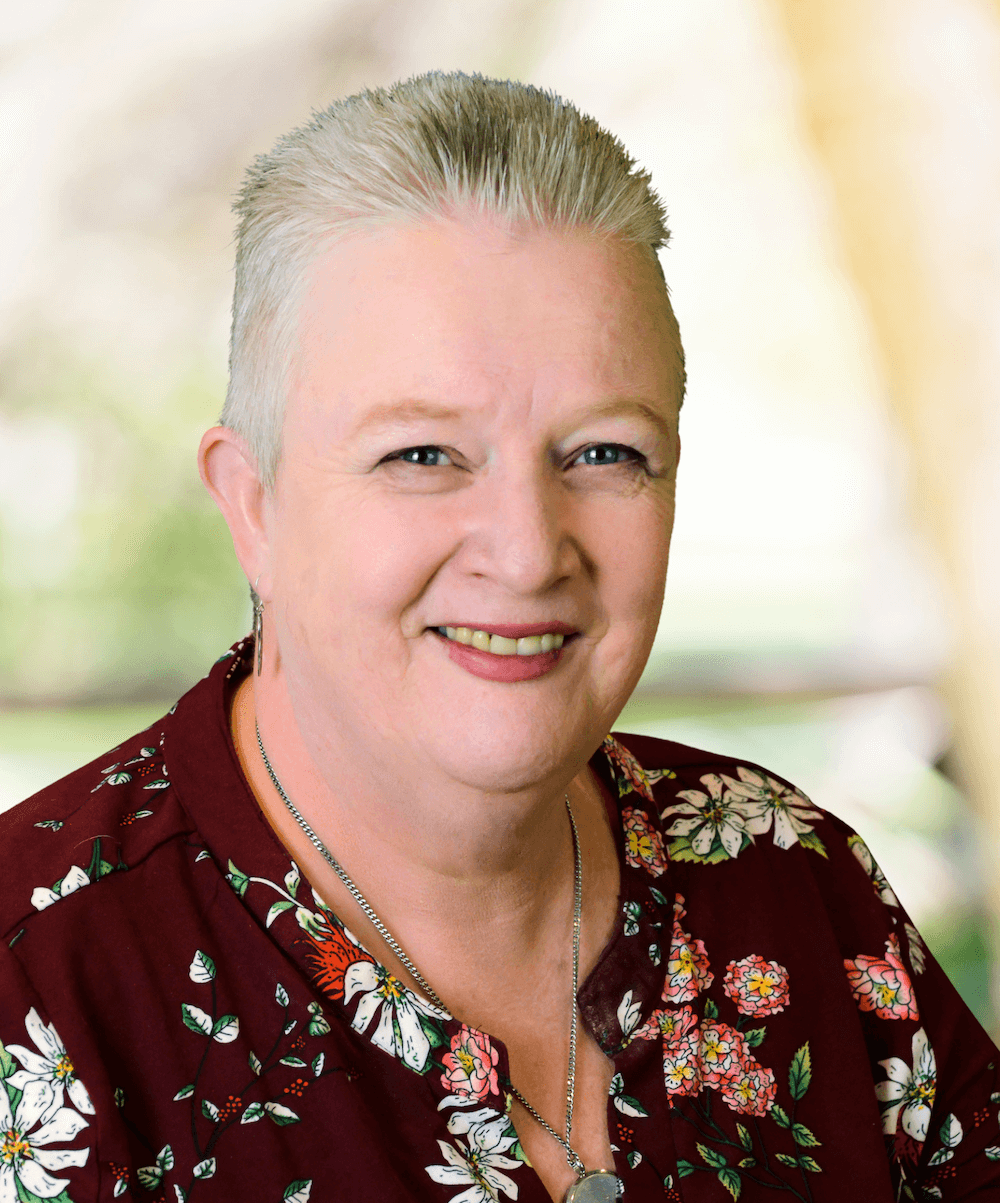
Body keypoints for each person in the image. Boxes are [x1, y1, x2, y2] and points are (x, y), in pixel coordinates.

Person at [0, 71, 996, 1203]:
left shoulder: (790, 876)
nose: (526, 553)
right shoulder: (34, 995)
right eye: (422, 455)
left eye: (605, 452)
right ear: (254, 505)